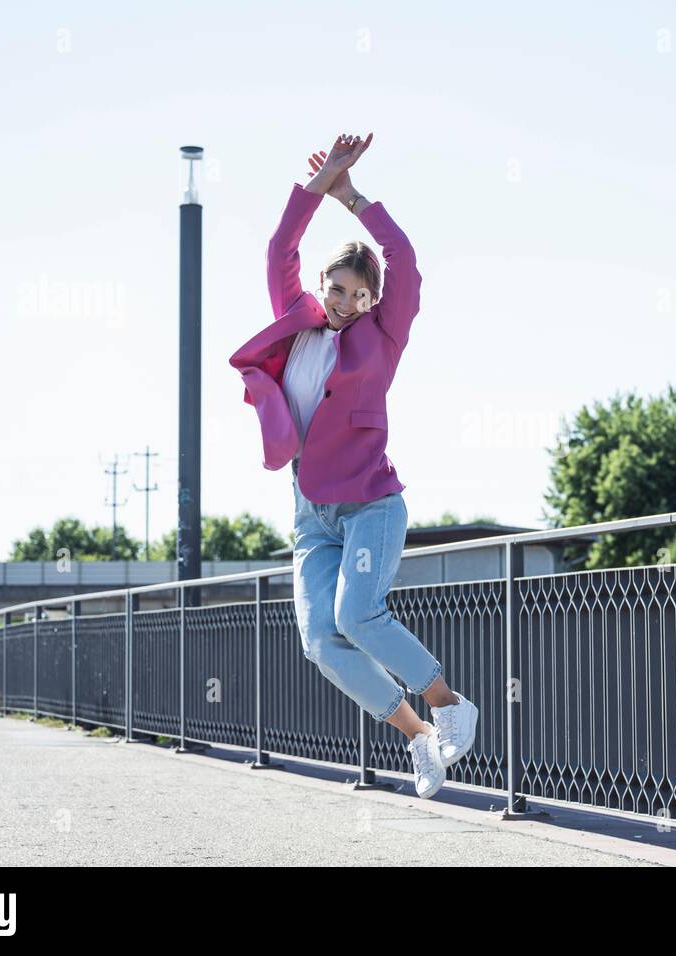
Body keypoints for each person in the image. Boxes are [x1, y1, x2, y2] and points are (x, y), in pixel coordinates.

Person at [229, 133, 477, 799]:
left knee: (358, 616)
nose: (340, 301)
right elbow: (279, 247)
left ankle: (449, 704)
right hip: (312, 513)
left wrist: (353, 197)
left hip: (370, 503)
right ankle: (420, 739)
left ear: (371, 298)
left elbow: (404, 259)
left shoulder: (383, 337)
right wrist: (315, 186)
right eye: (333, 288)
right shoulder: (297, 325)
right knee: (320, 639)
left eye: (354, 292)